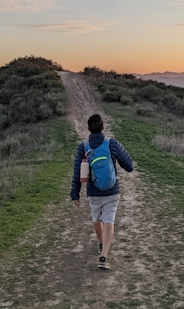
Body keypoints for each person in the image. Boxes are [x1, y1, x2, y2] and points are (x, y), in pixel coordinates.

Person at [71, 114, 134, 270]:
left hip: (94, 192)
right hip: (112, 191)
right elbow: (129, 166)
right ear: (103, 127)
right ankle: (104, 256)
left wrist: (75, 193)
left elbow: (78, 172)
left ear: (88, 129)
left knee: (96, 219)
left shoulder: (83, 147)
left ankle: (101, 244)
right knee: (109, 221)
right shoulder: (112, 143)